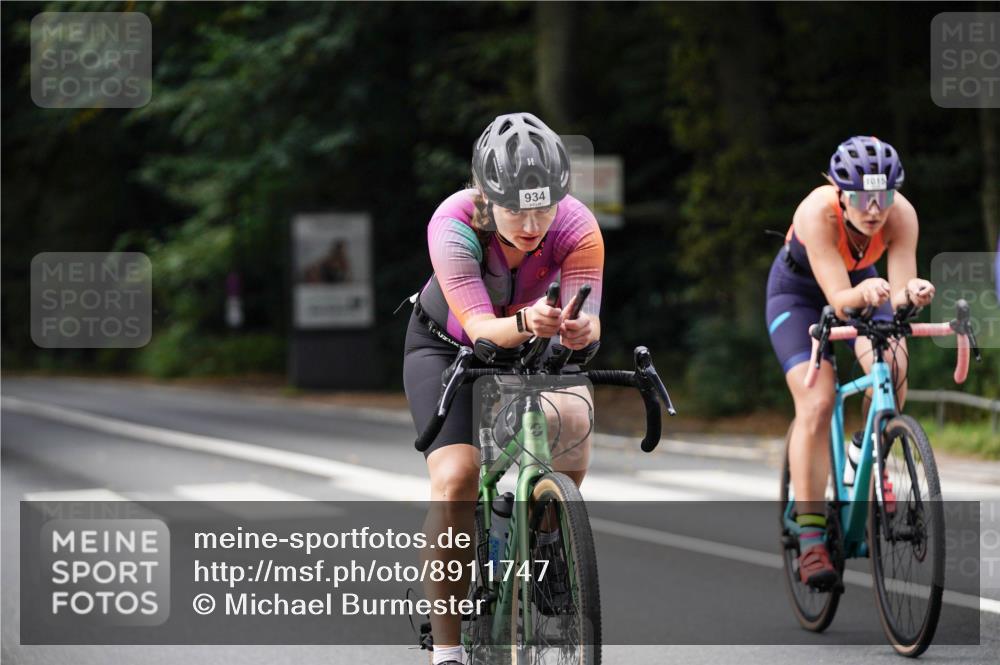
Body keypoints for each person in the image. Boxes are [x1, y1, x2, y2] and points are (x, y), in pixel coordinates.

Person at [403, 112, 604, 665]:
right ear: (485, 194)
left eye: (545, 205)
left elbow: (590, 317)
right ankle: (446, 650)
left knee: (574, 419)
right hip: (449, 344)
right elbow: (479, 325)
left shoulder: (578, 224)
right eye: (517, 208)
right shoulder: (454, 222)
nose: (534, 222)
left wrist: (585, 328)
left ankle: (545, 530)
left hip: (536, 337)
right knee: (457, 481)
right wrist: (523, 324)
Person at [765, 136, 935, 588]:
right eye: (862, 197)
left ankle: (868, 448)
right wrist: (864, 295)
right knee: (818, 402)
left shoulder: (901, 216)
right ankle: (811, 537)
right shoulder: (816, 213)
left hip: (864, 285)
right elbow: (840, 300)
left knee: (893, 364)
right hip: (800, 294)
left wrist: (912, 293)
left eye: (883, 196)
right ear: (841, 192)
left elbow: (897, 291)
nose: (874, 209)